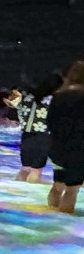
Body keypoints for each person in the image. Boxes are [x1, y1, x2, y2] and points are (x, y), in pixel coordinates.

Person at [7, 71, 61, 182]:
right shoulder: (54, 99)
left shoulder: (27, 97)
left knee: (25, 169)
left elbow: (16, 109)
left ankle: (18, 192)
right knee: (36, 170)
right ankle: (28, 197)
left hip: (27, 135)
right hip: (44, 137)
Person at [47, 61, 84, 214]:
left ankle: (48, 217)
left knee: (57, 185)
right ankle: (60, 228)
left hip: (57, 148)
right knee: (72, 189)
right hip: (79, 149)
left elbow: (50, 122)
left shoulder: (58, 96)